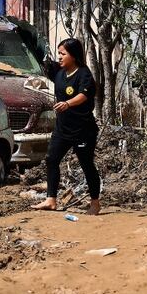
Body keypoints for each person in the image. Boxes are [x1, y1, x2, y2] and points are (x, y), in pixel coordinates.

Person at [33, 38, 102, 215]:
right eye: (59, 53)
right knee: (51, 159)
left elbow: (83, 95)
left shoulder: (84, 74)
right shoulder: (59, 72)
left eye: (63, 54)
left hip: (82, 130)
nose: (60, 57)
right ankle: (51, 200)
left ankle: (95, 203)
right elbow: (41, 57)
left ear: (74, 55)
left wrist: (68, 103)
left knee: (86, 164)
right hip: (62, 129)